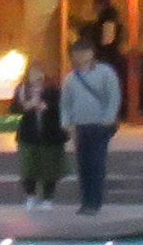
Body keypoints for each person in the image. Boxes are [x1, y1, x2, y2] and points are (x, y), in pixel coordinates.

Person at [62, 29, 125, 214]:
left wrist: (108, 119)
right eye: (76, 53)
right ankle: (85, 201)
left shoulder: (106, 73)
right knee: (83, 164)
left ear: (91, 53)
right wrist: (66, 122)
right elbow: (65, 103)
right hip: (80, 126)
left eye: (83, 52)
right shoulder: (70, 78)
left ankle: (95, 202)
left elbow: (114, 97)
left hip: (101, 126)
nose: (79, 57)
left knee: (96, 163)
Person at [11, 46, 65, 205]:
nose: (37, 75)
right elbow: (13, 108)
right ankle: (31, 195)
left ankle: (48, 197)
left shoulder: (53, 89)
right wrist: (26, 106)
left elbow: (61, 107)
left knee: (49, 167)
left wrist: (46, 106)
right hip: (29, 134)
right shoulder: (22, 90)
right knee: (29, 166)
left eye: (40, 72)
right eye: (33, 72)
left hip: (50, 133)